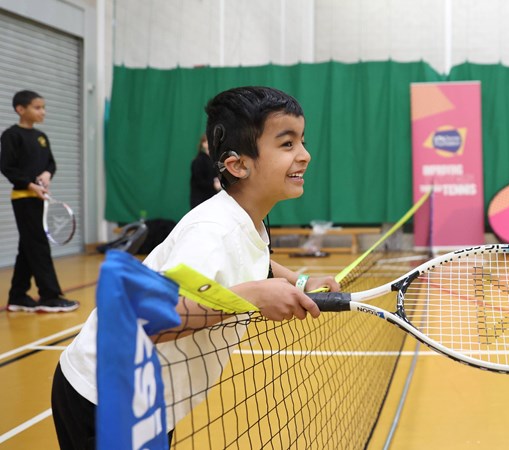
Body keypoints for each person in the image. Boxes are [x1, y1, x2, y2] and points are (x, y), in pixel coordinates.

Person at [51, 86, 340, 449]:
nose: (305, 155)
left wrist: (298, 279)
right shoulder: (211, 232)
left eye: (302, 141)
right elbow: (151, 320)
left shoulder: (247, 220)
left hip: (150, 400)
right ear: (238, 164)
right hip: (106, 398)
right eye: (287, 144)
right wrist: (252, 296)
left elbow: (254, 260)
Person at [0, 90, 79, 313]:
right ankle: (49, 296)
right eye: (37, 107)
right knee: (39, 245)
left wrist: (46, 175)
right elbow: (7, 167)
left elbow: (51, 163)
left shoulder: (41, 137)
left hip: (40, 200)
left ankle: (18, 295)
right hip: (24, 199)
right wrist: (29, 185)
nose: (42, 111)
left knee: (28, 246)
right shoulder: (11, 135)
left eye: (43, 107)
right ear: (20, 109)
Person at [189, 133, 221, 208]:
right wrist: (213, 185)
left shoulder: (215, 160)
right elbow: (199, 181)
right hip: (200, 201)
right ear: (203, 144)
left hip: (212, 199)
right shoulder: (198, 161)